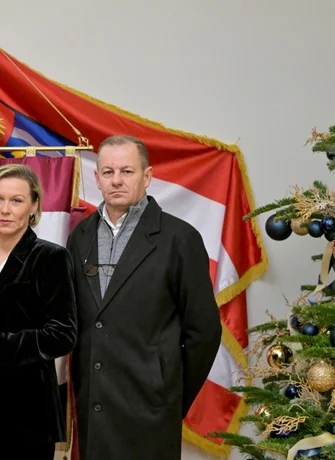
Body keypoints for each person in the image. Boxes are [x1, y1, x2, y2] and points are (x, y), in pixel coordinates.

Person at [67, 135, 222, 459]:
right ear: (97, 179)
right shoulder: (79, 236)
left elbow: (204, 333)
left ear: (147, 176)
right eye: (108, 172)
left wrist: (169, 395)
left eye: (127, 171)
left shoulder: (180, 238)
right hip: (94, 407)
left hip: (151, 410)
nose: (116, 180)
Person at [0, 164, 77, 460]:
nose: (5, 209)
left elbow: (63, 335)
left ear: (33, 207)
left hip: (27, 412)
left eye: (16, 200)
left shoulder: (50, 257)